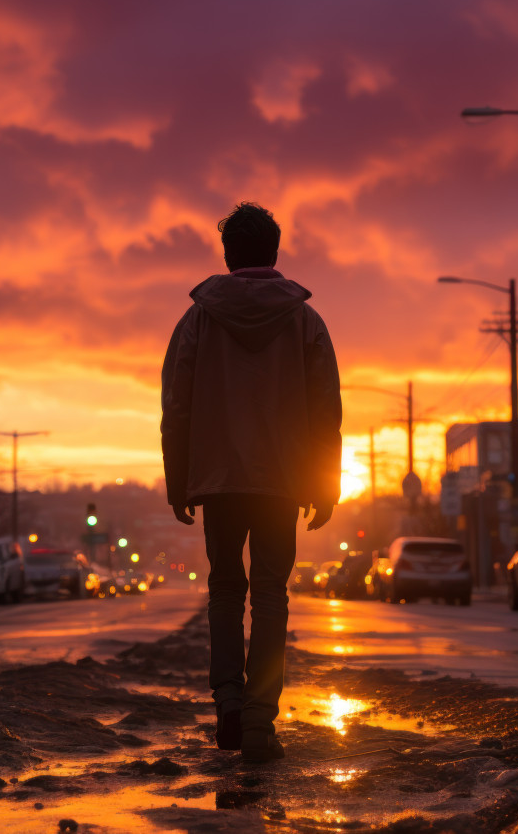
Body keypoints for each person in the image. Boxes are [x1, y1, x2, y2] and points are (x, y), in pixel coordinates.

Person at [161, 202, 342, 763]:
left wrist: (179, 480)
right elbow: (325, 408)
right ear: (275, 252)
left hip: (217, 480)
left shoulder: (198, 318)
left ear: (227, 255)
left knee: (224, 588)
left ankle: (229, 704)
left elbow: (177, 405)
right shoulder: (305, 320)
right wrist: (325, 483)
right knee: (269, 595)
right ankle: (262, 722)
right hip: (282, 481)